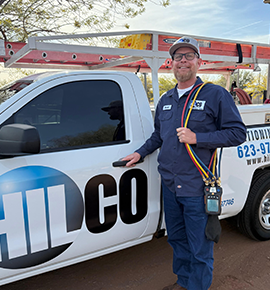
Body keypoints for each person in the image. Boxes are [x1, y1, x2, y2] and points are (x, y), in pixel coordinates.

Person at [122, 36, 246, 290]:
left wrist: (197, 137)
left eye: (189, 56)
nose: (183, 61)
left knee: (199, 245)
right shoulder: (166, 100)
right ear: (171, 64)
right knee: (177, 239)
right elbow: (159, 135)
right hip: (170, 185)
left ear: (199, 62)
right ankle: (184, 282)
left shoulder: (215, 94)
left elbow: (237, 133)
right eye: (178, 57)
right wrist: (140, 153)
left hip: (197, 187)